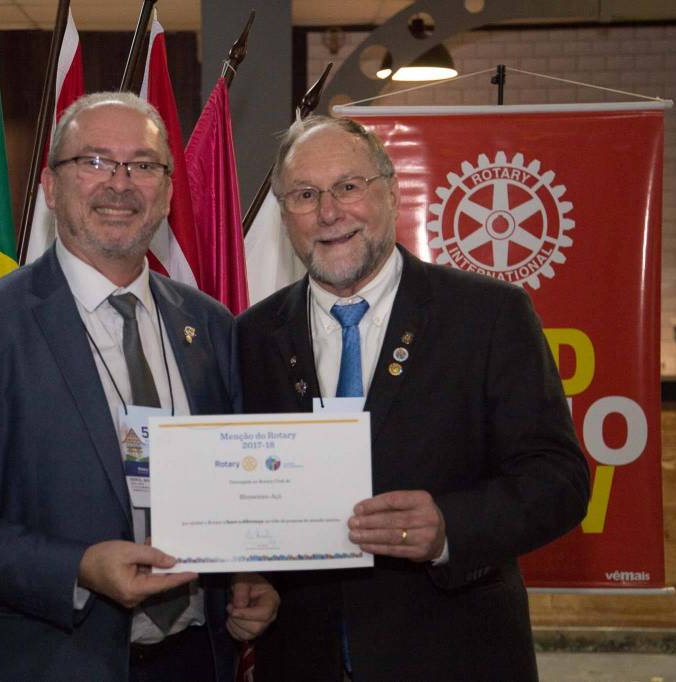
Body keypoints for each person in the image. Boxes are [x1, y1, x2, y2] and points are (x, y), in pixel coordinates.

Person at [0, 92, 278, 682]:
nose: (119, 184)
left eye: (142, 165)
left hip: (195, 660)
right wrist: (76, 568)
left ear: (167, 192)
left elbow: (230, 486)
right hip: (43, 664)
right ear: (51, 186)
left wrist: (249, 574)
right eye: (94, 161)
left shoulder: (209, 325)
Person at [236, 115, 589, 681]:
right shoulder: (252, 336)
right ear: (284, 215)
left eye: (348, 186)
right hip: (302, 659)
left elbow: (560, 479)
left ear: (392, 192)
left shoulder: (489, 315)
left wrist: (450, 527)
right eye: (305, 195)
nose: (328, 212)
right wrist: (250, 575)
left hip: (456, 658)